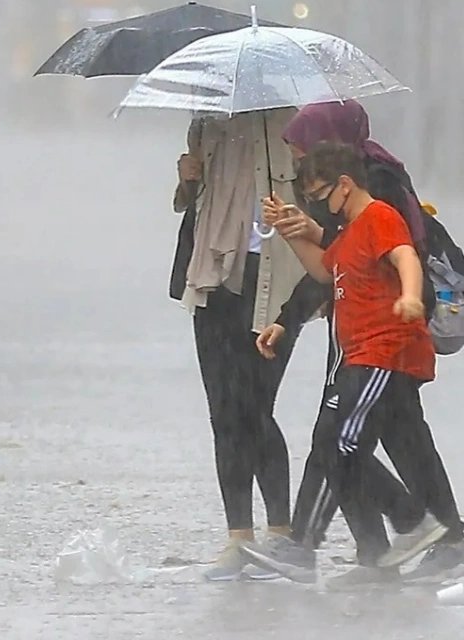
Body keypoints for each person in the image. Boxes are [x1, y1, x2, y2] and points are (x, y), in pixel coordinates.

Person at [242, 103, 464, 585]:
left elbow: (396, 254)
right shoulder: (344, 200)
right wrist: (296, 250)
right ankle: (404, 549)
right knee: (399, 441)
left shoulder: (376, 194)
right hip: (365, 334)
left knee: (337, 440)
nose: (298, 164)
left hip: (383, 336)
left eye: (303, 152)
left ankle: (384, 533)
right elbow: (331, 265)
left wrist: (410, 297)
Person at [171, 109, 308, 581]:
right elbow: (191, 204)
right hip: (213, 277)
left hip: (275, 279)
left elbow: (320, 204)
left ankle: (281, 532)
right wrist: (187, 179)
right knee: (223, 411)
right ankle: (238, 538)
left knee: (255, 407)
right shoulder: (206, 121)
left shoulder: (293, 125)